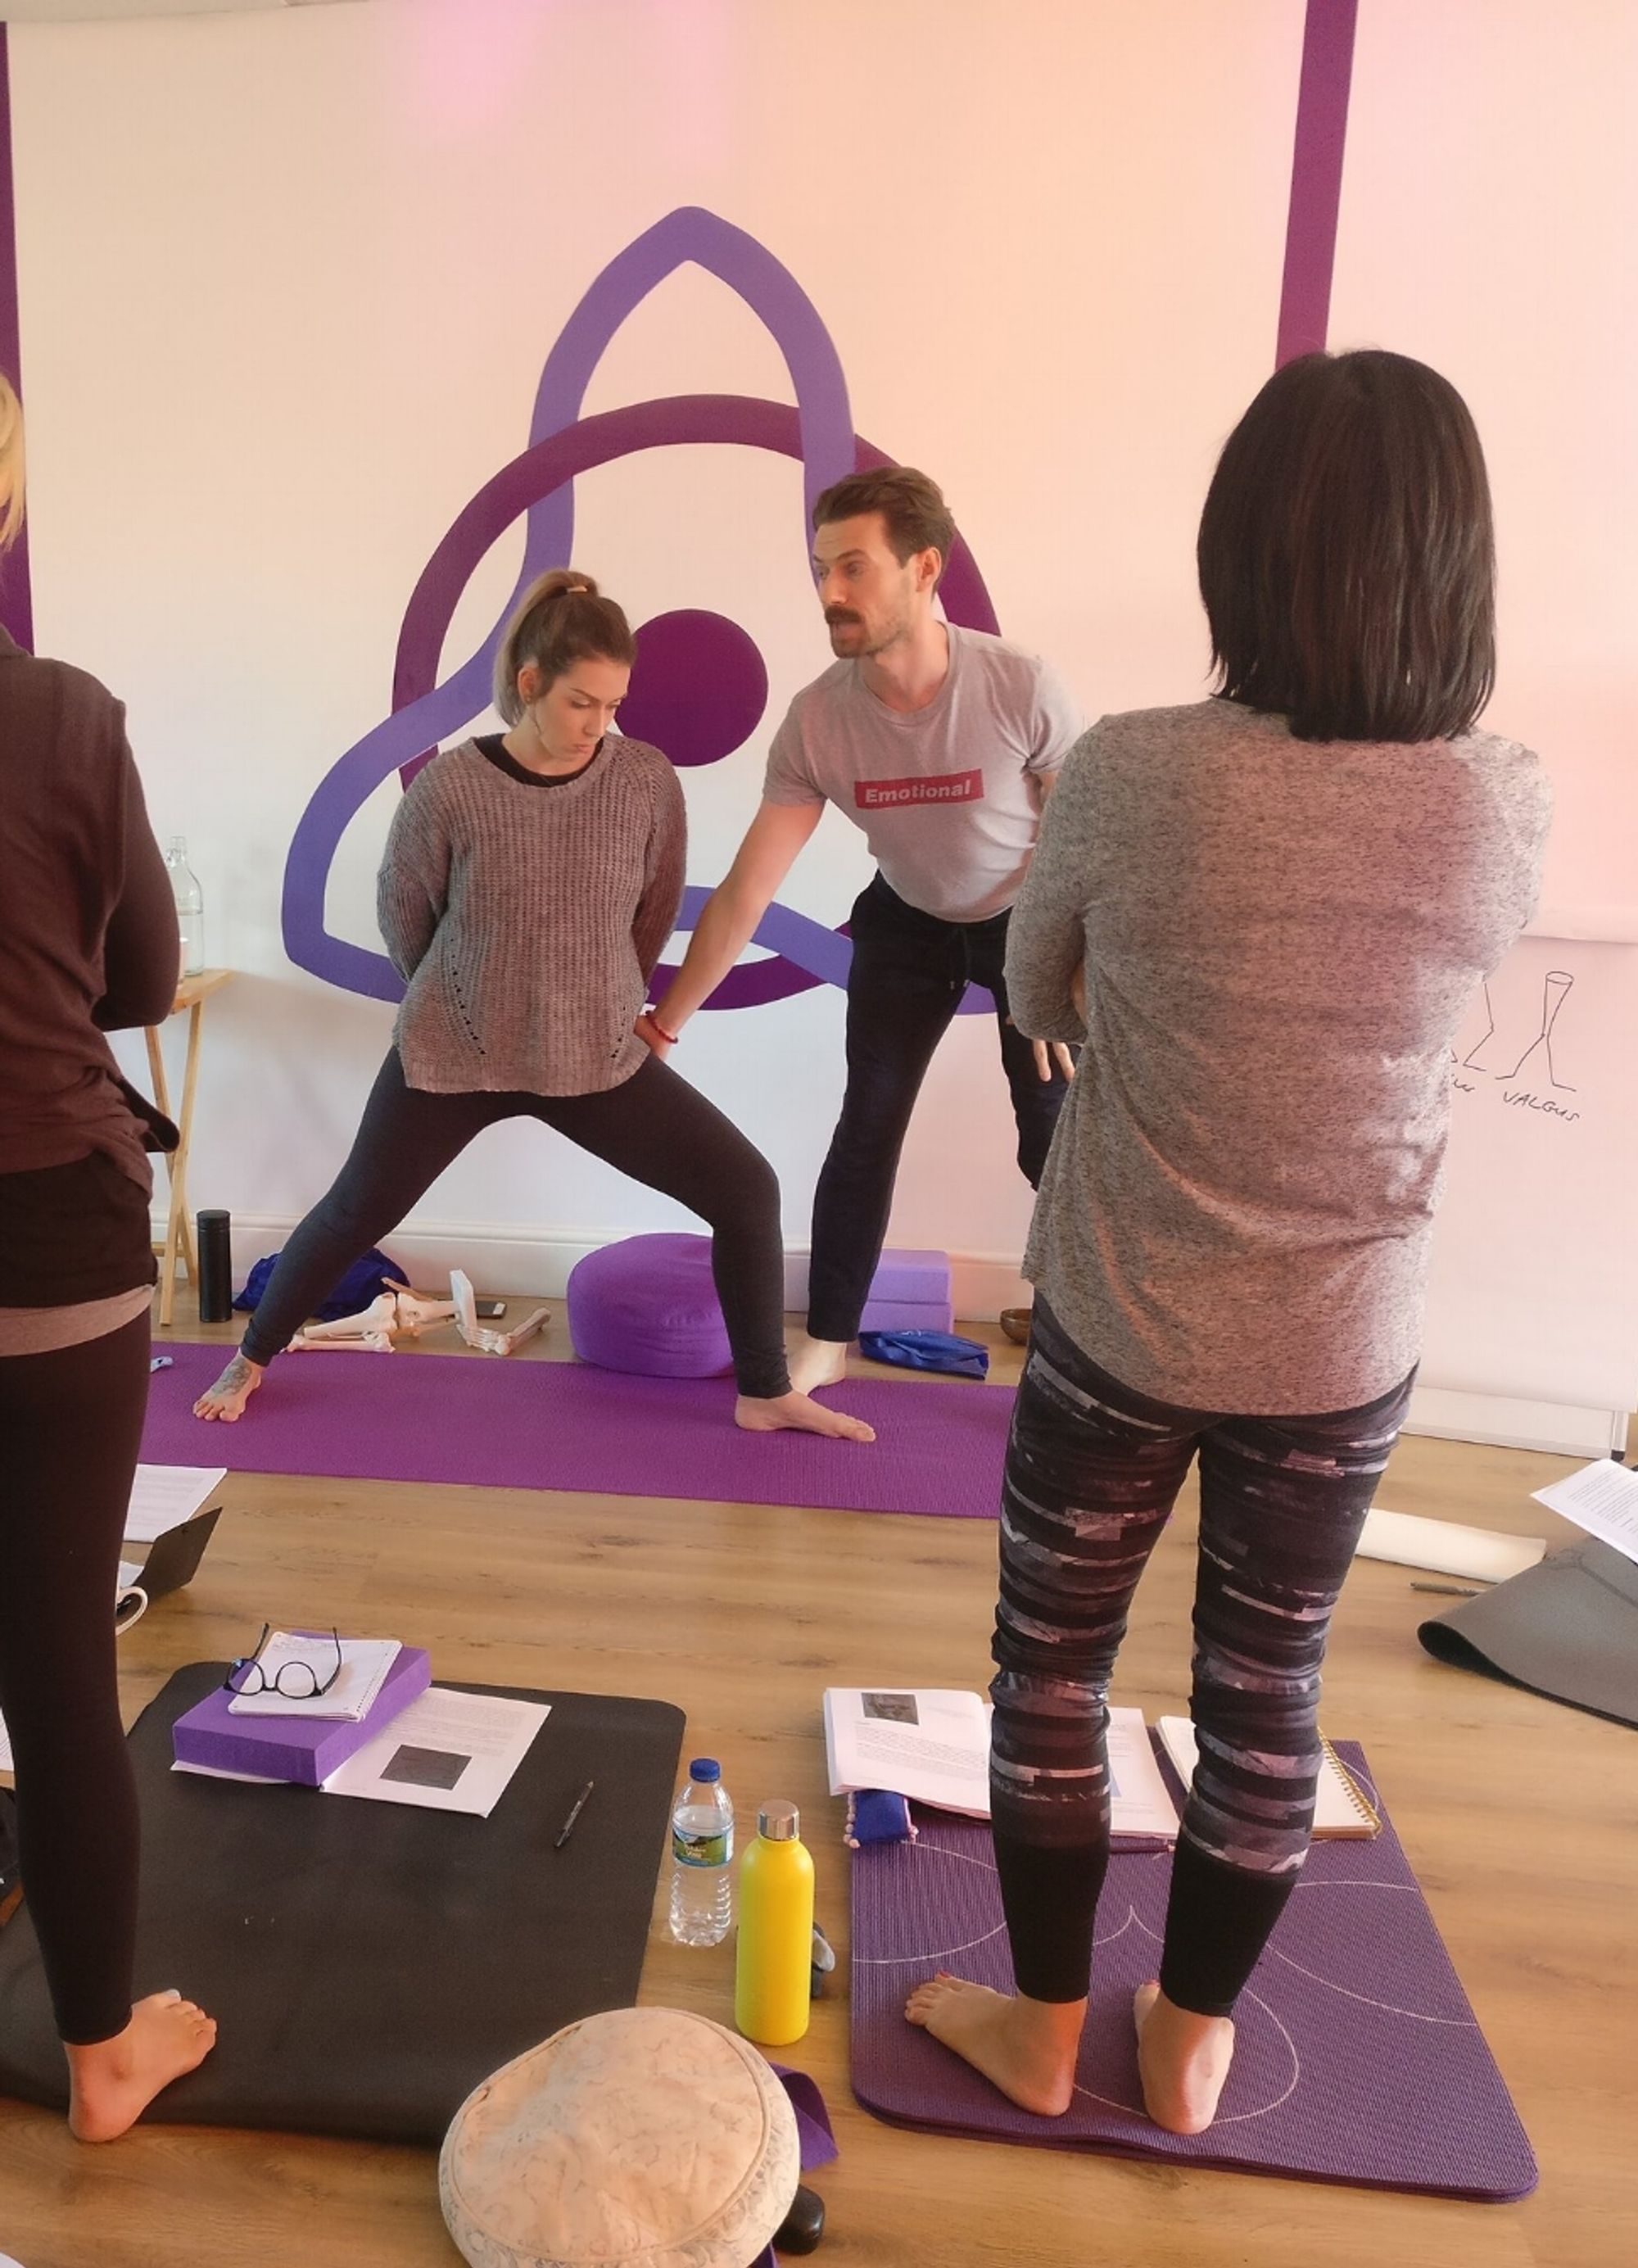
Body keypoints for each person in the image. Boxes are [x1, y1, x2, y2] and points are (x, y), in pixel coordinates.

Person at [905, 351, 1551, 2134]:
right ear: (1453, 566)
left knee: (1051, 1666)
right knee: (1268, 1688)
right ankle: (1187, 2041)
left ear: (1239, 554)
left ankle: (1043, 2027)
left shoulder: (1129, 771)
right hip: (1342, 1340)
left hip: (1121, 1310)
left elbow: (1034, 990)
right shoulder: (1498, 803)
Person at [193, 570, 871, 1445]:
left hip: (592, 1060)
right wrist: (471, 993)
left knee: (746, 1189)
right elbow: (407, 920)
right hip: (454, 1054)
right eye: (583, 702)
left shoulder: (642, 780)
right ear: (529, 685)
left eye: (615, 704)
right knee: (352, 1211)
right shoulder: (451, 790)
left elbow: (653, 908)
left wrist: (608, 1003)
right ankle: (248, 1358)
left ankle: (764, 1389)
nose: (602, 724)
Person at [640, 468, 1082, 1384]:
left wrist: (1057, 970)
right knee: (866, 1126)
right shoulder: (816, 722)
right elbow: (744, 892)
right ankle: (829, 1343)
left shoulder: (1018, 684)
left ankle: (1090, 1341)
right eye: (818, 571)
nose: (829, 594)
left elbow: (1083, 846)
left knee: (1053, 1126)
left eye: (852, 568)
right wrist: (664, 1021)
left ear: (923, 570)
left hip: (1023, 918)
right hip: (906, 922)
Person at [0, 373, 218, 2139]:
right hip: (51, 1237)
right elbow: (142, 981)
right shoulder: (64, 715)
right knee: (55, 1650)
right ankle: (101, 2054)